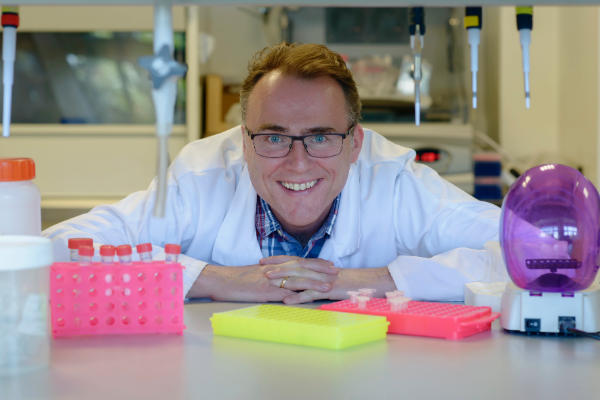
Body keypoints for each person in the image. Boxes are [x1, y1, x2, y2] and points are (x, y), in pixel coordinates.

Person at [43, 42, 500, 304]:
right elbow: (55, 250)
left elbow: (541, 253)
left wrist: (371, 280)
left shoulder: (395, 182)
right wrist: (214, 278)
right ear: (243, 141)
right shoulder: (200, 178)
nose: (297, 163)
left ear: (355, 143)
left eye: (321, 137)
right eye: (274, 137)